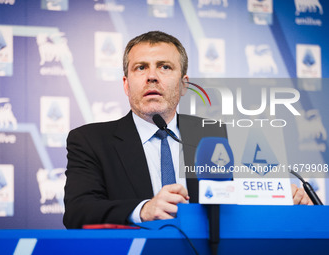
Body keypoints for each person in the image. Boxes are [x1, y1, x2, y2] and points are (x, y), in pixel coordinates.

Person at [63, 31, 312, 229]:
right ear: (126, 85)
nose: (152, 76)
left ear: (184, 85)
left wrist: (278, 200)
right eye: (141, 67)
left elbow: (237, 204)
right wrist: (144, 209)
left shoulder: (215, 135)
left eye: (164, 67)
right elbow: (78, 212)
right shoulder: (90, 141)